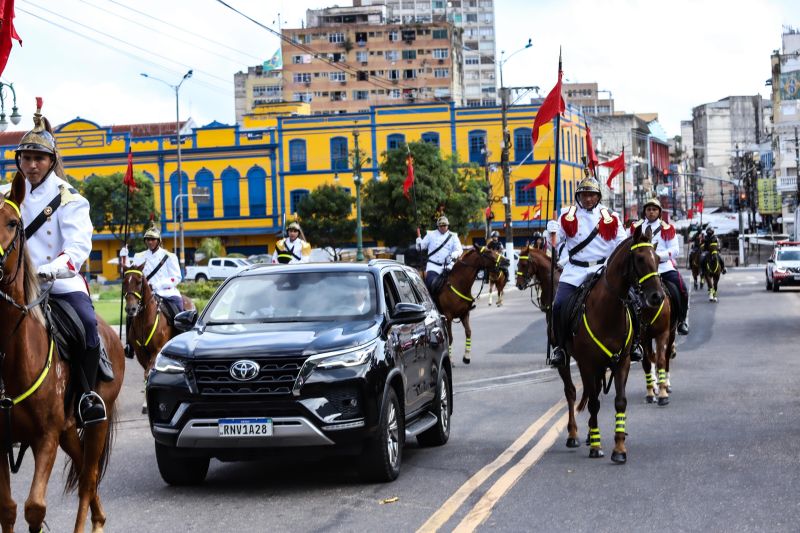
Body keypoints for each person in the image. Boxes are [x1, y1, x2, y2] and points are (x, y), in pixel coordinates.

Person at [15, 100, 106, 425]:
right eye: (26, 157)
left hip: (58, 284)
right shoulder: (9, 196)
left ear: (51, 161)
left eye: (39, 158)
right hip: (15, 286)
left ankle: (86, 396)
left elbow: (78, 249)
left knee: (86, 325)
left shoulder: (71, 199)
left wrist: (51, 269)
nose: (32, 165)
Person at [549, 177, 642, 367]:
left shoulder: (611, 216)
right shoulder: (567, 215)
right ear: (578, 196)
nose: (588, 199)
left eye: (591, 195)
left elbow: (621, 244)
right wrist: (551, 232)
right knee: (558, 305)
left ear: (598, 197)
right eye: (584, 195)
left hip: (604, 269)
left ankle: (634, 344)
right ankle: (560, 348)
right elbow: (556, 242)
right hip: (575, 270)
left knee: (634, 301)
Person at [121, 223, 184, 357]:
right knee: (130, 313)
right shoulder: (139, 255)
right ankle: (129, 345)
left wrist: (158, 285)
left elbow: (177, 277)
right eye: (147, 239)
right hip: (144, 293)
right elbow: (131, 272)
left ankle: (181, 340)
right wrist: (124, 257)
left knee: (177, 311)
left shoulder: (169, 256)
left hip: (165, 292)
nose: (150, 242)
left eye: (153, 239)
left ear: (158, 241)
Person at [632, 199, 690, 335]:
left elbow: (675, 250)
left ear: (659, 212)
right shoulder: (636, 228)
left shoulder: (667, 228)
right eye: (649, 209)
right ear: (644, 212)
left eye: (654, 210)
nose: (651, 212)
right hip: (642, 270)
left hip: (663, 267)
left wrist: (655, 256)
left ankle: (681, 320)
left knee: (682, 289)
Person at [416, 215, 463, 294]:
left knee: (457, 284)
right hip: (433, 266)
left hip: (448, 266)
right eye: (441, 225)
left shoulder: (453, 236)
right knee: (431, 283)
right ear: (438, 226)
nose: (443, 227)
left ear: (447, 226)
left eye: (444, 225)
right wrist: (419, 240)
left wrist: (454, 254)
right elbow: (420, 248)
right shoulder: (430, 234)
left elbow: (459, 250)